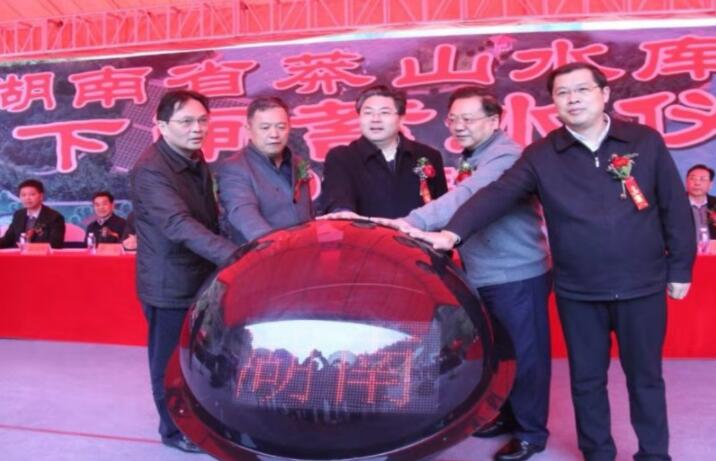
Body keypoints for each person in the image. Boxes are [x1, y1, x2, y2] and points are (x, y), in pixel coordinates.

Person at [410, 63, 695, 461]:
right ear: (554, 103)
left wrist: (680, 267)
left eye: (582, 90)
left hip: (641, 283)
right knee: (586, 380)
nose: (573, 99)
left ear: (604, 94)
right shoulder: (542, 154)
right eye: (562, 93)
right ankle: (598, 453)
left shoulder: (643, 141)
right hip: (578, 290)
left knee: (646, 378)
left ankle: (654, 454)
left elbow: (674, 205)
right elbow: (496, 194)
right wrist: (451, 234)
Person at [373, 86, 552, 461]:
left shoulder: (506, 156)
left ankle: (531, 434)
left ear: (494, 120)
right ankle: (506, 415)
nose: (459, 126)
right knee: (501, 353)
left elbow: (467, 197)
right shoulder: (475, 155)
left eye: (468, 119)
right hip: (485, 271)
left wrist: (408, 223)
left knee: (526, 355)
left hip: (515, 274)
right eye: (453, 119)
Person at [130, 89, 240, 453]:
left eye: (203, 120)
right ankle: (174, 430)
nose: (197, 128)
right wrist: (235, 255)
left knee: (204, 357)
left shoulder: (194, 158)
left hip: (202, 277)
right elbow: (178, 224)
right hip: (170, 283)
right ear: (162, 126)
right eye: (187, 122)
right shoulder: (151, 170)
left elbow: (208, 217)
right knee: (169, 363)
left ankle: (203, 421)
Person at [320, 84, 448, 218]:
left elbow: (442, 208)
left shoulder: (428, 155)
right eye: (368, 112)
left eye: (384, 112)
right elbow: (337, 196)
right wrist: (342, 212)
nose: (375, 119)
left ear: (401, 118)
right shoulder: (342, 157)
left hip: (418, 231)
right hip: (365, 231)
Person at [215, 96, 313, 245]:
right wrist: (275, 245)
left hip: (304, 249)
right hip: (263, 252)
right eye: (265, 128)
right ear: (248, 130)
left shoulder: (297, 162)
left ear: (289, 127)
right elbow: (244, 214)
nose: (274, 134)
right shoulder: (234, 167)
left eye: (281, 127)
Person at [0, 179, 65, 249]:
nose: (27, 198)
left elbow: (56, 244)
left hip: (42, 255)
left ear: (41, 196)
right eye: (23, 195)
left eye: (32, 194)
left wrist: (34, 236)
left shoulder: (54, 217)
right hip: (18, 255)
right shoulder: (19, 215)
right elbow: (8, 239)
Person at [685, 164, 716, 249]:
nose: (697, 183)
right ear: (686, 182)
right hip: (685, 253)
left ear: (710, 184)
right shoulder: (674, 205)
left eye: (702, 179)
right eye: (693, 178)